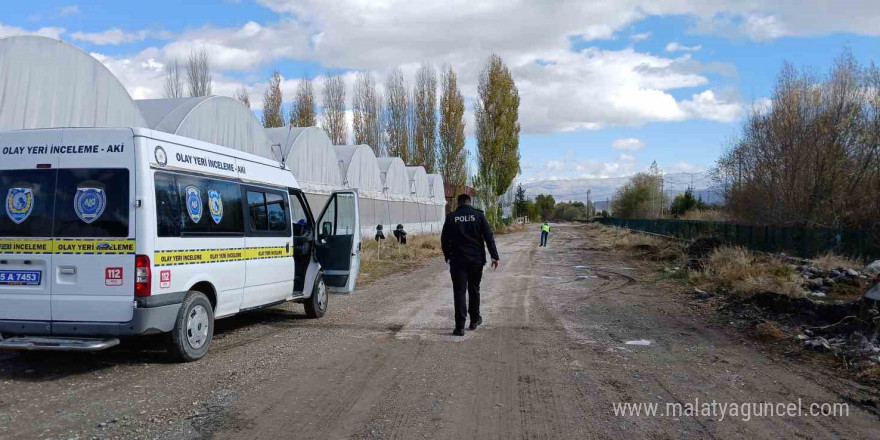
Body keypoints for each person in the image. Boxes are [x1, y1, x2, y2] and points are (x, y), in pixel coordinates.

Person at [441, 194, 500, 336]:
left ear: (458, 203)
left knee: (459, 292)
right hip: (476, 260)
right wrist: (494, 256)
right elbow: (488, 236)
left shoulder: (451, 217)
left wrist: (448, 257)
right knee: (474, 289)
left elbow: (444, 239)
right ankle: (474, 321)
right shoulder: (479, 216)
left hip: (458, 261)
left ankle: (459, 327)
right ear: (470, 202)